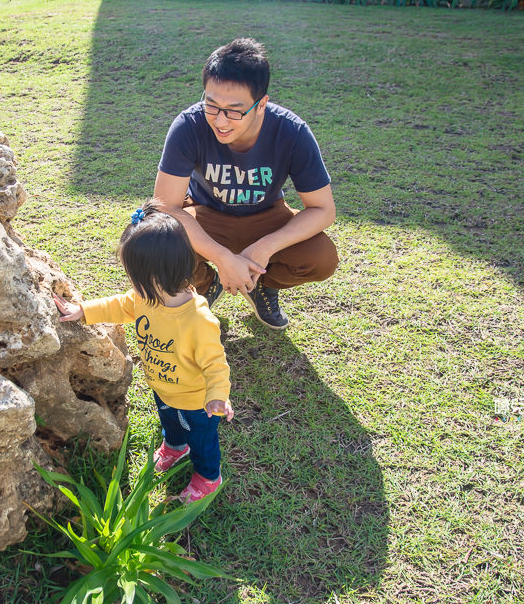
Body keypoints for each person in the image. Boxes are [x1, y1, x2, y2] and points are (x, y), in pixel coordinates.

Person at [53, 200, 234, 503]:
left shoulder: (198, 320)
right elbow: (118, 305)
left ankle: (207, 476)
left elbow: (216, 363)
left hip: (195, 401)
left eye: (132, 276)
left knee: (202, 441)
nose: (130, 284)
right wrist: (83, 310)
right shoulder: (145, 297)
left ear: (154, 276)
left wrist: (217, 394)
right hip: (162, 389)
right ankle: (175, 446)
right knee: (171, 425)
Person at [155, 38, 340, 330]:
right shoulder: (189, 125)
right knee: (151, 245)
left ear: (261, 105)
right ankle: (206, 285)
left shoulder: (291, 131)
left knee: (321, 258)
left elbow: (323, 209)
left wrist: (264, 248)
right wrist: (222, 258)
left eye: (234, 110)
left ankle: (263, 284)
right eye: (211, 105)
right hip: (204, 215)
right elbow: (165, 206)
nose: (220, 120)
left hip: (266, 217)